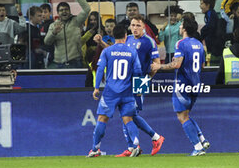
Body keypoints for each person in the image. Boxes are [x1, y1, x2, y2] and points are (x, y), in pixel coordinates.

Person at [151, 16, 210, 156]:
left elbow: (176, 64)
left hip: (183, 84)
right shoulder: (199, 44)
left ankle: (197, 147)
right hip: (196, 84)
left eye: (181, 25)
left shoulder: (180, 44)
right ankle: (202, 139)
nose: (179, 27)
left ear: (184, 28)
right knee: (186, 115)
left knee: (182, 116)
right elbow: (202, 65)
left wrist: (159, 66)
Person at [87, 24, 142, 158]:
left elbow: (100, 69)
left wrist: (96, 88)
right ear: (125, 36)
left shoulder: (107, 51)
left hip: (110, 91)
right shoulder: (132, 52)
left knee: (102, 118)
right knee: (128, 118)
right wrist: (139, 89)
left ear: (113, 37)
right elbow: (138, 72)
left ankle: (95, 149)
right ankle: (136, 145)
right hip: (127, 91)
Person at [115, 15, 165, 157]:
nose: (135, 28)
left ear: (143, 27)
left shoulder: (149, 41)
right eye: (133, 25)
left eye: (138, 25)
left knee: (129, 113)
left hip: (140, 80)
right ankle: (134, 146)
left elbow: (156, 64)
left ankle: (152, 139)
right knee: (126, 114)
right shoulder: (128, 39)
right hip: (126, 82)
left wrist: (146, 80)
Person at [44, 0, 91, 69]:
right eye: (61, 10)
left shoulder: (76, 21)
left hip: (75, 62)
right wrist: (54, 32)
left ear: (70, 11)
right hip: (59, 64)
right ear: (58, 13)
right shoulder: (53, 25)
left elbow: (87, 9)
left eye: (66, 9)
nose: (64, 12)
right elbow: (47, 42)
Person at [200, 0, 221, 66]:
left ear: (207, 5)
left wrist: (202, 32)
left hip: (215, 47)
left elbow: (211, 26)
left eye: (202, 4)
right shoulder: (209, 13)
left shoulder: (211, 13)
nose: (200, 6)